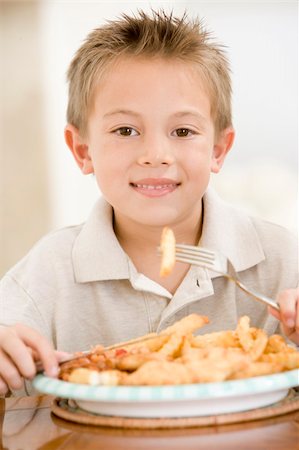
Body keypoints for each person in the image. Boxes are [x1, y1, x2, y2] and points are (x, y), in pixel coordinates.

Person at [0, 9, 298, 397]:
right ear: (82, 150)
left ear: (218, 150)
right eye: (126, 130)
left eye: (182, 131)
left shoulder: (282, 261)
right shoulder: (45, 275)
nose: (156, 154)